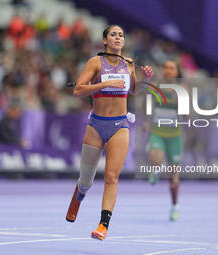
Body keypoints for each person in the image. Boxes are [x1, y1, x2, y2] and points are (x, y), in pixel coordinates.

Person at [66, 25, 153, 240]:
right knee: (86, 180)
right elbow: (77, 90)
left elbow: (134, 90)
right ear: (105, 40)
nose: (117, 37)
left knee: (112, 177)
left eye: (121, 35)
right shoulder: (95, 63)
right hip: (96, 126)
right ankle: (80, 194)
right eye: (113, 34)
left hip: (120, 126)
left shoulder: (129, 64)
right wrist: (103, 84)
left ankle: (103, 225)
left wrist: (145, 80)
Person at [143, 60, 184, 221]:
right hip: (157, 132)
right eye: (165, 67)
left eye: (171, 68)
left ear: (177, 72)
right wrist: (146, 121)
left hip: (175, 136)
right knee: (155, 157)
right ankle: (155, 170)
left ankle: (175, 206)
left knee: (173, 178)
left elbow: (188, 114)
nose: (168, 70)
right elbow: (147, 105)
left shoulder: (183, 90)